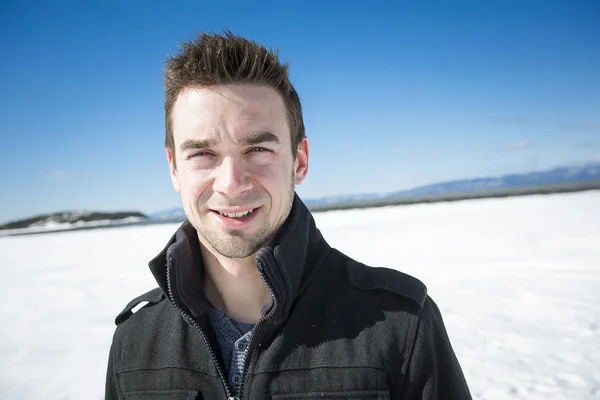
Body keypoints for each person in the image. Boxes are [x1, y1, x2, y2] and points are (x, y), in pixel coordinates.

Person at [105, 31, 472, 400]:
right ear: (174, 169)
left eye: (258, 149)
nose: (231, 184)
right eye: (202, 154)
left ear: (299, 160)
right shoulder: (135, 341)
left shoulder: (400, 325)